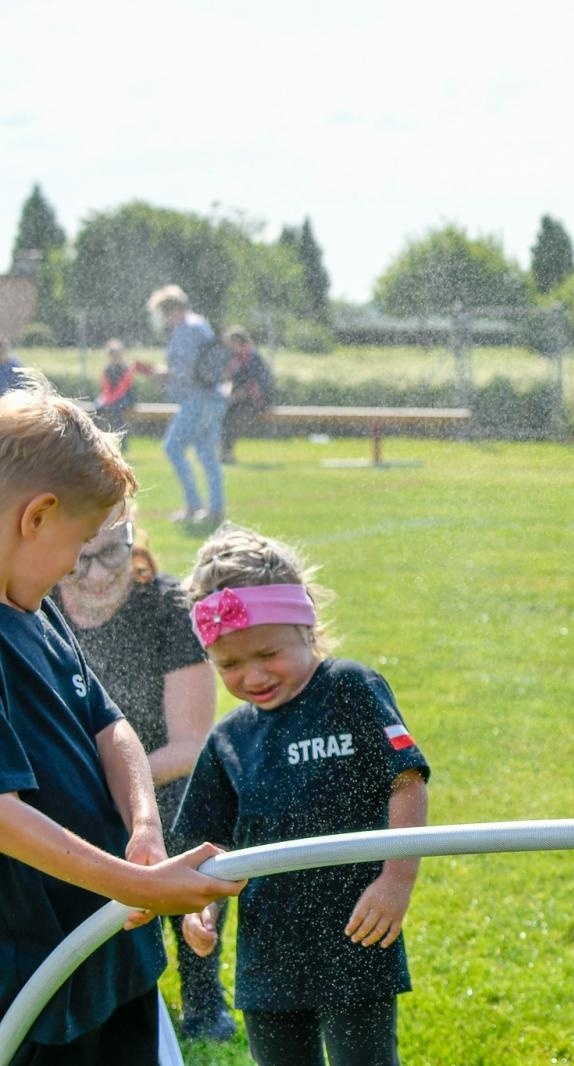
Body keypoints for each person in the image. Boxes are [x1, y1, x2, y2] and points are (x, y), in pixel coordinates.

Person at [0, 368, 241, 1063]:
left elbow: (112, 726)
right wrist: (137, 884)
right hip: (38, 989)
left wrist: (142, 828)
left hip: (111, 950)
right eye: (78, 546)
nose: (79, 567)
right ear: (35, 516)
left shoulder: (34, 606)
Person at [173, 524, 430, 1066]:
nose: (253, 675)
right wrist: (204, 913)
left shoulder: (350, 689)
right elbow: (206, 845)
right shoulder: (229, 739)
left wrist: (396, 879)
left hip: (358, 934)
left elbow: (405, 779)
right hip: (269, 956)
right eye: (230, 665)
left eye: (268, 653)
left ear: (306, 626)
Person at [55, 511, 237, 1041]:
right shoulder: (39, 606)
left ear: (133, 541)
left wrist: (116, 790)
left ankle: (203, 998)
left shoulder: (165, 607)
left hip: (165, 782)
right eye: (81, 558)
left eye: (112, 553)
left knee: (191, 833)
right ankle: (108, 986)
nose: (95, 574)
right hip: (81, 789)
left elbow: (189, 745)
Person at [145, 285, 225, 525]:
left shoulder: (186, 329)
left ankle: (194, 505)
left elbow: (185, 370)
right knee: (207, 454)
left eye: (163, 313)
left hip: (197, 400)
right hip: (213, 399)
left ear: (172, 310)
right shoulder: (200, 324)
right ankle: (215, 510)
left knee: (173, 447)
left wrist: (163, 374)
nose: (164, 319)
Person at [219, 327, 274, 464]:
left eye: (231, 344)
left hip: (257, 400)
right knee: (224, 412)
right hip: (241, 399)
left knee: (233, 415)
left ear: (239, 342)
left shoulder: (252, 357)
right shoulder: (235, 358)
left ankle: (227, 452)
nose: (229, 347)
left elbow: (253, 385)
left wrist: (233, 397)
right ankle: (224, 451)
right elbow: (229, 379)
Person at [93, 339, 138, 440]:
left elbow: (123, 388)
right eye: (112, 354)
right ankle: (99, 435)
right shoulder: (107, 369)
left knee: (117, 409)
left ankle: (120, 436)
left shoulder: (127, 368)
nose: (115, 356)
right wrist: (108, 399)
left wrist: (112, 400)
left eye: (117, 354)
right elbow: (105, 387)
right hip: (109, 397)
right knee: (97, 407)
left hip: (125, 397)